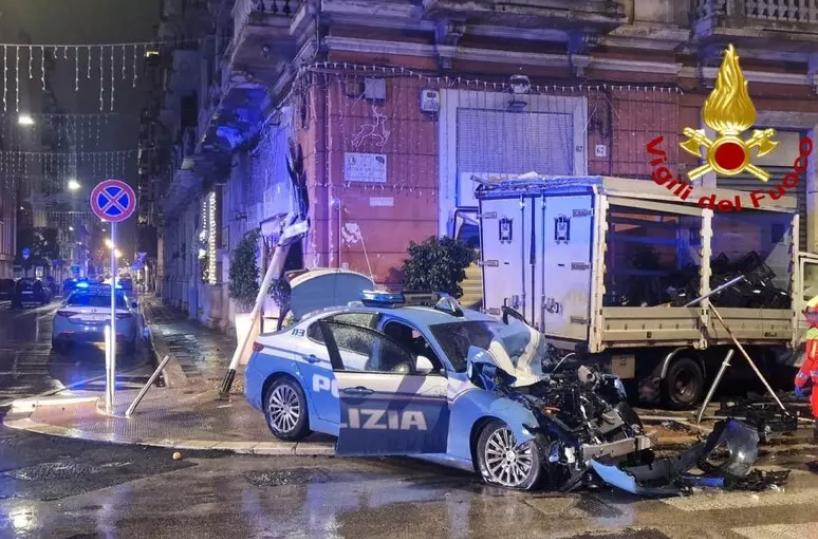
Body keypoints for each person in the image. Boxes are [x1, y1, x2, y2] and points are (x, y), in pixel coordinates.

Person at [795, 300, 818, 441]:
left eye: (811, 315)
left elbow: (811, 359)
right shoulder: (813, 330)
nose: (807, 318)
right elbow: (810, 360)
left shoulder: (814, 332)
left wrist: (800, 381)